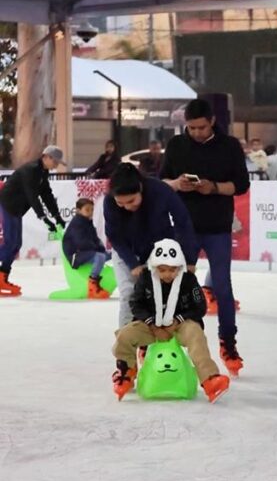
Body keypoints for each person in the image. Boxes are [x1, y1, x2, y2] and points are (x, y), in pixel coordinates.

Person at [160, 98, 251, 376]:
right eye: (191, 128)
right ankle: (169, 340)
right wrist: (178, 184)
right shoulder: (177, 145)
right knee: (175, 287)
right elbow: (161, 182)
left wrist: (213, 188)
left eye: (200, 127)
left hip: (217, 227)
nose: (196, 132)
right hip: (184, 227)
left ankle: (228, 342)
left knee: (222, 288)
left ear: (212, 121)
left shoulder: (229, 146)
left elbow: (241, 185)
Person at [111, 238, 230, 403]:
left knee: (196, 335)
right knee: (124, 335)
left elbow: (200, 306)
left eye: (172, 270)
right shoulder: (145, 278)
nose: (167, 274)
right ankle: (127, 372)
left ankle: (209, 379)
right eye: (162, 270)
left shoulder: (189, 280)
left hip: (180, 325)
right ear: (154, 267)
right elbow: (136, 304)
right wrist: (152, 325)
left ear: (180, 267)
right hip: (151, 325)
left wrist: (177, 320)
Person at [105, 163, 199, 329]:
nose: (127, 207)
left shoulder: (160, 190)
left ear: (140, 188)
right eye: (121, 203)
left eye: (131, 201)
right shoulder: (109, 201)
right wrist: (132, 263)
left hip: (159, 251)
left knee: (161, 297)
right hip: (126, 250)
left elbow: (183, 222)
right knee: (128, 295)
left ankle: (154, 345)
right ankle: (126, 347)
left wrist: (189, 259)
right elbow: (114, 236)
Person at [0, 146, 66, 296]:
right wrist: (43, 217)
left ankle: (2, 277)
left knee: (16, 244)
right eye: (55, 161)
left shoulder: (43, 173)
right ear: (46, 157)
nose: (56, 165)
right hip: (9, 204)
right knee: (10, 243)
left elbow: (47, 195)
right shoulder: (30, 170)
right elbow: (32, 196)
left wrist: (57, 217)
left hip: (17, 208)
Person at [63, 197, 111, 299]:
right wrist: (96, 249)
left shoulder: (87, 222)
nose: (90, 212)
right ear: (78, 210)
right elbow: (80, 242)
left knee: (109, 255)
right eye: (87, 210)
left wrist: (101, 248)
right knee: (100, 256)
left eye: (92, 210)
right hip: (75, 255)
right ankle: (92, 283)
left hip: (86, 252)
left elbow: (95, 239)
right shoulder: (77, 224)